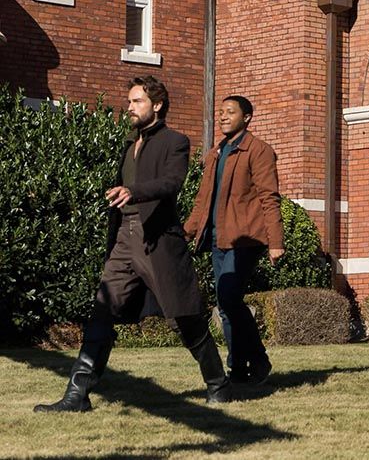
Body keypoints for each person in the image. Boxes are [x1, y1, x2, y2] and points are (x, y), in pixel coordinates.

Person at [35, 76, 231, 412]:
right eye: (128, 101)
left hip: (157, 240)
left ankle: (217, 383)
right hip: (124, 239)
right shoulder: (128, 143)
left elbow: (172, 182)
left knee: (186, 318)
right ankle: (77, 394)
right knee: (102, 310)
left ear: (157, 105)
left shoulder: (175, 141)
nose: (129, 107)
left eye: (137, 101)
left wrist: (135, 192)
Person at [184, 95, 283, 385]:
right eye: (221, 112)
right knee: (227, 304)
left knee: (228, 297)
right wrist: (186, 232)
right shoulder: (215, 153)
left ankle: (259, 360)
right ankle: (239, 368)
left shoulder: (258, 151)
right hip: (217, 238)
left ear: (247, 117)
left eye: (231, 112)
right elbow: (204, 199)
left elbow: (269, 197)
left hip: (245, 239)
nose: (224, 116)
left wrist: (276, 241)